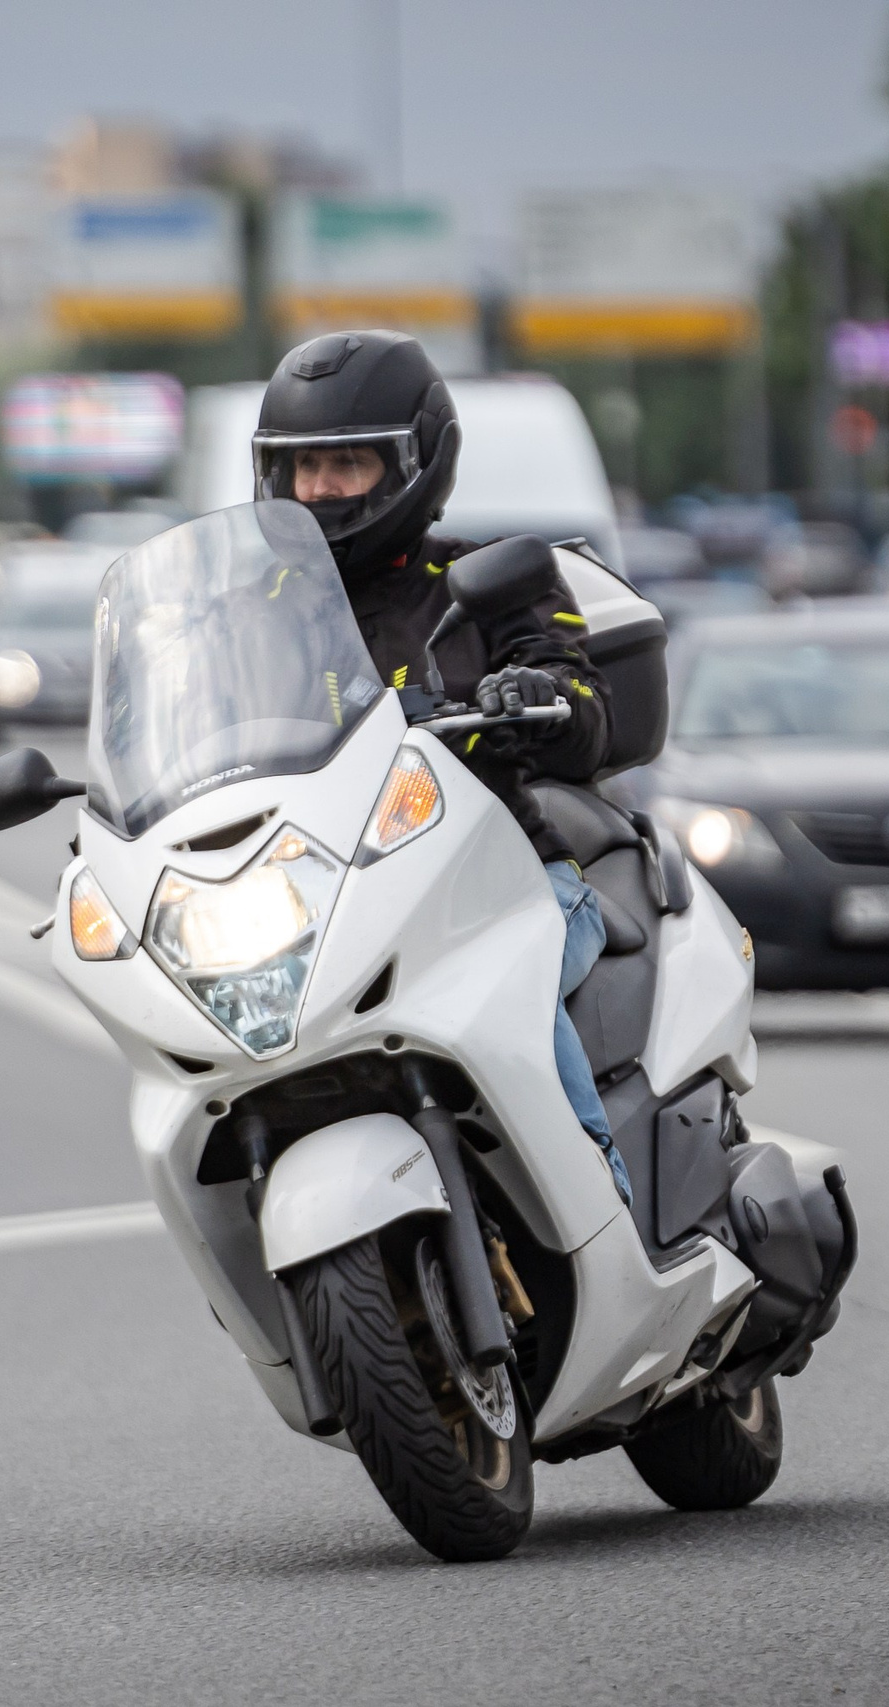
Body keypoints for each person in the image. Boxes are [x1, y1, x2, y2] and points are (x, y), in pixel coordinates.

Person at [250, 329, 631, 1205]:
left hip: (503, 885)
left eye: (347, 463)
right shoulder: (258, 611)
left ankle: (600, 1207)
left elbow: (588, 714)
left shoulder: (485, 579)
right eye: (302, 467)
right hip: (321, 904)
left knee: (514, 1001)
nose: (319, 488)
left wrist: (540, 691)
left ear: (417, 462)